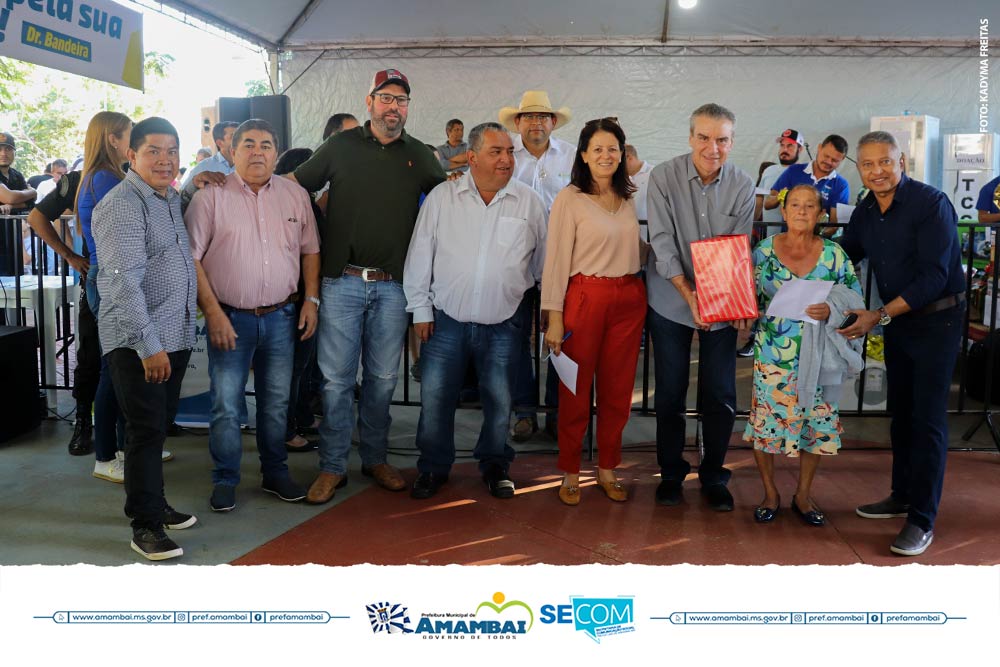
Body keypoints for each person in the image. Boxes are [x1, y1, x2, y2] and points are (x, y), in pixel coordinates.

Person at [288, 68, 446, 503]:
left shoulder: (420, 155)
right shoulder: (340, 146)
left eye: (401, 99)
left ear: (407, 107)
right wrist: (235, 184)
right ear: (369, 100)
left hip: (394, 287)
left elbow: (451, 200)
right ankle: (333, 466)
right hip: (341, 282)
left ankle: (375, 458)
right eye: (386, 97)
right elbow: (294, 186)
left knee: (380, 378)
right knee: (336, 382)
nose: (394, 106)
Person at [838, 131, 966, 557]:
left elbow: (933, 276)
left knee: (928, 420)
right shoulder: (865, 211)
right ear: (859, 169)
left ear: (902, 161)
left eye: (885, 162)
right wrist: (791, 256)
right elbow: (845, 253)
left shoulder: (931, 204)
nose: (878, 171)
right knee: (902, 416)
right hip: (899, 324)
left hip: (937, 321)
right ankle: (901, 495)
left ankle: (922, 519)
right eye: (868, 164)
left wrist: (879, 315)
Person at [404, 122, 547, 499]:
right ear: (472, 158)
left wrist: (535, 305)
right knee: (436, 398)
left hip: (504, 322)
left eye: (509, 152)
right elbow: (421, 254)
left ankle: (496, 464)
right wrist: (420, 310)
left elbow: (541, 263)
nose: (505, 159)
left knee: (499, 400)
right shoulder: (442, 197)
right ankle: (433, 468)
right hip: (445, 320)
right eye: (496, 152)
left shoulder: (529, 202)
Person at [185, 119, 320, 511]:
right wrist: (213, 314)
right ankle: (225, 478)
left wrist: (311, 300)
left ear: (276, 153)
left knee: (276, 403)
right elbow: (191, 258)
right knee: (227, 406)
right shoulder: (209, 197)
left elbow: (310, 250)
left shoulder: (295, 196)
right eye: (248, 144)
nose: (257, 151)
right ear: (232, 150)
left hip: (282, 317)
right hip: (230, 319)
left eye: (265, 144)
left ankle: (275, 473)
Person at [92, 117, 198, 561]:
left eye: (172, 151)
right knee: (144, 431)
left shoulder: (169, 198)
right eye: (153, 150)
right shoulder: (123, 204)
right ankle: (145, 526)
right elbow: (119, 282)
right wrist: (149, 345)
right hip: (140, 340)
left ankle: (152, 503)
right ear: (130, 155)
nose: (165, 159)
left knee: (156, 429)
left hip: (172, 333)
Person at [646, 102, 755, 512]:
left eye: (722, 139)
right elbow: (661, 240)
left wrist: (726, 301)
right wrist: (690, 295)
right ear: (691, 137)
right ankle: (670, 473)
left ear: (732, 141)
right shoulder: (663, 176)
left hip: (722, 299)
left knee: (721, 393)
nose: (713, 148)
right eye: (705, 138)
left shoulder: (743, 185)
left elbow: (738, 248)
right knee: (670, 392)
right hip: (670, 298)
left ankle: (714, 475)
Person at [541, 118, 646, 506]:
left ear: (623, 154)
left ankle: (607, 468)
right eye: (598, 148)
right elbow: (555, 261)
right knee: (576, 390)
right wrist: (554, 316)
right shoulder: (570, 198)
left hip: (629, 298)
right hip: (584, 297)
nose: (606, 155)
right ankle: (570, 470)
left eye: (613, 148)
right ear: (583, 154)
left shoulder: (630, 196)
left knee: (618, 392)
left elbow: (638, 247)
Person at [744, 184, 863, 525]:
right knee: (766, 425)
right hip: (772, 356)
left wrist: (832, 310)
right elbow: (746, 297)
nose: (801, 210)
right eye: (794, 204)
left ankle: (803, 495)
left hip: (820, 354)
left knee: (816, 424)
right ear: (782, 212)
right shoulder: (763, 252)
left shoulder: (834, 255)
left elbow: (854, 301)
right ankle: (769, 493)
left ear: (820, 214)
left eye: (809, 206)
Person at [499, 90, 574, 443]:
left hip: (562, 261)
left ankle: (557, 413)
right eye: (529, 116)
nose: (536, 122)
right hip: (514, 260)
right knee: (515, 339)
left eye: (542, 116)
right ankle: (524, 413)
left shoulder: (572, 156)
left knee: (559, 337)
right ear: (517, 123)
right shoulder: (504, 156)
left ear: (553, 122)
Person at [74, 111, 135, 483]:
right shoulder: (105, 180)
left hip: (110, 275)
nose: (133, 142)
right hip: (112, 277)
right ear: (113, 139)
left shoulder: (102, 178)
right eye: (130, 136)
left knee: (122, 366)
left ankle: (127, 447)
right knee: (116, 368)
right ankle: (106, 455)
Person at [274, 147, 325, 453]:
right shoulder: (297, 200)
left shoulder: (304, 201)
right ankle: (287, 429)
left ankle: (300, 417)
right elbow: (312, 251)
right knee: (292, 369)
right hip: (295, 297)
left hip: (303, 296)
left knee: (301, 367)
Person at [765, 134, 850, 235]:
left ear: (842, 159)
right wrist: (782, 195)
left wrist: (815, 235)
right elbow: (768, 204)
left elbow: (834, 225)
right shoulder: (794, 171)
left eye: (834, 160)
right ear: (819, 148)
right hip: (787, 239)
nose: (828, 162)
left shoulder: (841, 185)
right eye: (826, 156)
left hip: (819, 245)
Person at [179, 121, 238, 208]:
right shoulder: (204, 166)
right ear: (220, 143)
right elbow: (182, 197)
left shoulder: (249, 166)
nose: (240, 140)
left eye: (241, 136)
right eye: (234, 136)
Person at [755, 129, 804, 231]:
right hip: (768, 236)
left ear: (800, 149)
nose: (784, 149)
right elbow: (759, 199)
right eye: (782, 145)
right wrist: (753, 225)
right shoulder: (768, 170)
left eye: (790, 146)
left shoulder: (804, 173)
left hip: (793, 235)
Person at [625, 144, 654, 223]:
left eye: (619, 163)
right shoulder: (621, 179)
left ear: (629, 158)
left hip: (650, 230)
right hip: (629, 230)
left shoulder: (654, 174)